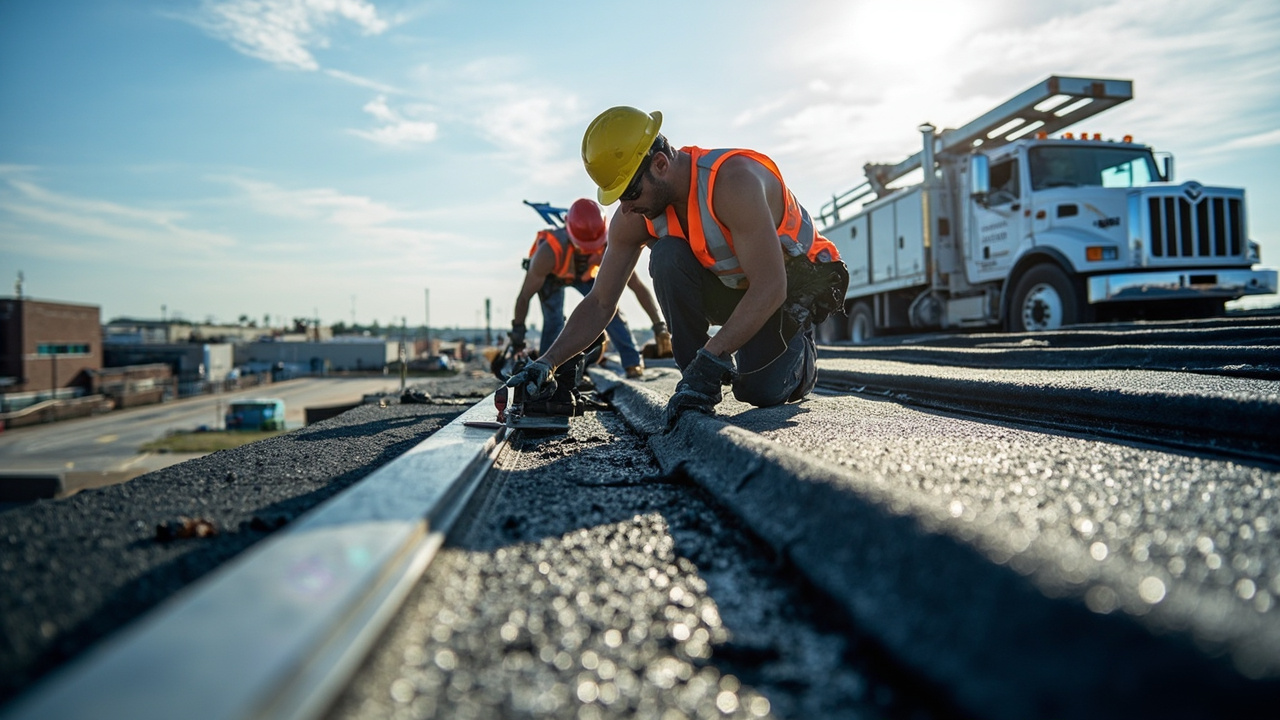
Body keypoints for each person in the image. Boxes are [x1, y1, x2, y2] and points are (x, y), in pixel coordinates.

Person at [508, 107, 848, 427]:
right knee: (667, 255)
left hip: (784, 291)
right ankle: (696, 382)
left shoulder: (733, 182)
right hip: (732, 288)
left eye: (629, 193)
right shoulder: (636, 213)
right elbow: (600, 302)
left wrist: (713, 357)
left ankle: (800, 359)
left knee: (758, 392)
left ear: (659, 164)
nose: (625, 209)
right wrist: (546, 363)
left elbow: (771, 286)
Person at [509, 197, 671, 380]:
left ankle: (632, 363)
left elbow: (637, 287)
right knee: (553, 322)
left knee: (610, 308)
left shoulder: (608, 245)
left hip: (585, 275)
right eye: (583, 248)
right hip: (552, 277)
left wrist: (659, 326)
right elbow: (524, 297)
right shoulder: (547, 254)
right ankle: (546, 370)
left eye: (592, 248)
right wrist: (518, 334)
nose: (588, 252)